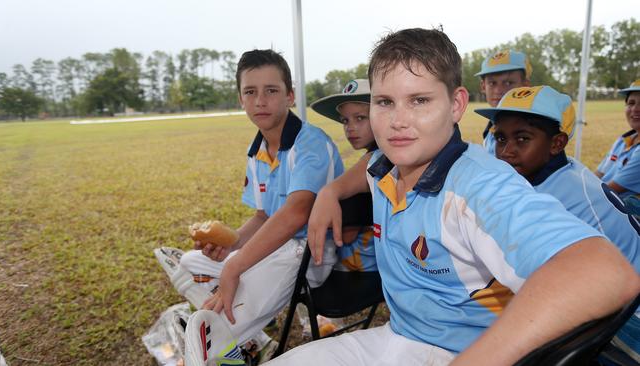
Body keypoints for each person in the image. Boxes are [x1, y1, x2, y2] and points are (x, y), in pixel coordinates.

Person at [268, 28, 640, 366]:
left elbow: (603, 272)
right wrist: (330, 193)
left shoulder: (479, 184)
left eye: (419, 101)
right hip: (399, 336)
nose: (397, 120)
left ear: (457, 104)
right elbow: (369, 165)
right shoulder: (386, 164)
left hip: (459, 350)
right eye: (384, 102)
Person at [157, 49, 344, 365]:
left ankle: (225, 340)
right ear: (240, 99)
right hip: (275, 249)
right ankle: (254, 342)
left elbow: (297, 212)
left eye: (271, 91)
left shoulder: (309, 143)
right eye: (251, 92)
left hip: (311, 253)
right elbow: (263, 216)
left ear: (289, 95)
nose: (261, 101)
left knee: (212, 337)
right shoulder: (255, 149)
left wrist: (237, 261)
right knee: (189, 263)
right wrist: (230, 246)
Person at [476, 84, 640, 267]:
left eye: (522, 139)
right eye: (500, 139)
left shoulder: (557, 201)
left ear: (557, 143)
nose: (506, 151)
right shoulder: (560, 168)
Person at [310, 78, 377, 272]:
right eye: (345, 120)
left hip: (361, 268)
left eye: (360, 118)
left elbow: (346, 236)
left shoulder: (380, 157)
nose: (350, 127)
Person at [596, 79, 640, 216]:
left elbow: (612, 189)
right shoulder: (623, 140)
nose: (635, 109)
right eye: (631, 103)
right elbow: (599, 173)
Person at [474, 50, 531, 154]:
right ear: (483, 86)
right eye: (492, 83)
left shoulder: (532, 127)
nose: (498, 90)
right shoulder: (493, 123)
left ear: (525, 86)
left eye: (508, 83)